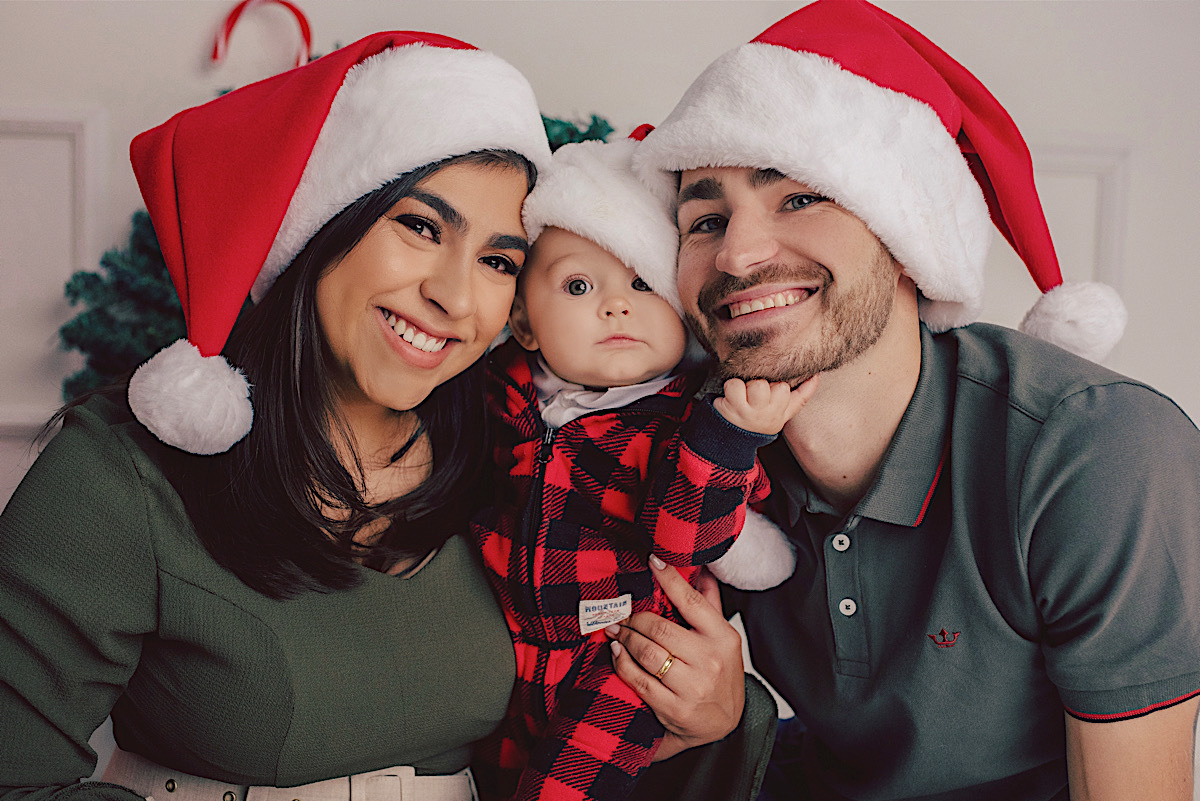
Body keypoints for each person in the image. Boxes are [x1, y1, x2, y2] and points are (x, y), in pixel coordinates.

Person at [0, 32, 743, 801]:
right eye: (420, 227)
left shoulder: (517, 461)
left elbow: (575, 705)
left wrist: (707, 712)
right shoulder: (121, 475)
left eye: (498, 261)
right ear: (320, 229)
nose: (455, 298)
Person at [628, 1, 1200, 799]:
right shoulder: (691, 448)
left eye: (799, 197)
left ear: (907, 236)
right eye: (705, 218)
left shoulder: (1097, 450)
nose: (738, 252)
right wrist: (726, 714)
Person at [469, 136, 809, 801]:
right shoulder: (498, 392)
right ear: (525, 323)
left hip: (626, 654)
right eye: (577, 285)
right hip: (510, 649)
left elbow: (690, 537)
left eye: (642, 282)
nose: (615, 305)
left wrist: (730, 438)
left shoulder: (688, 419)